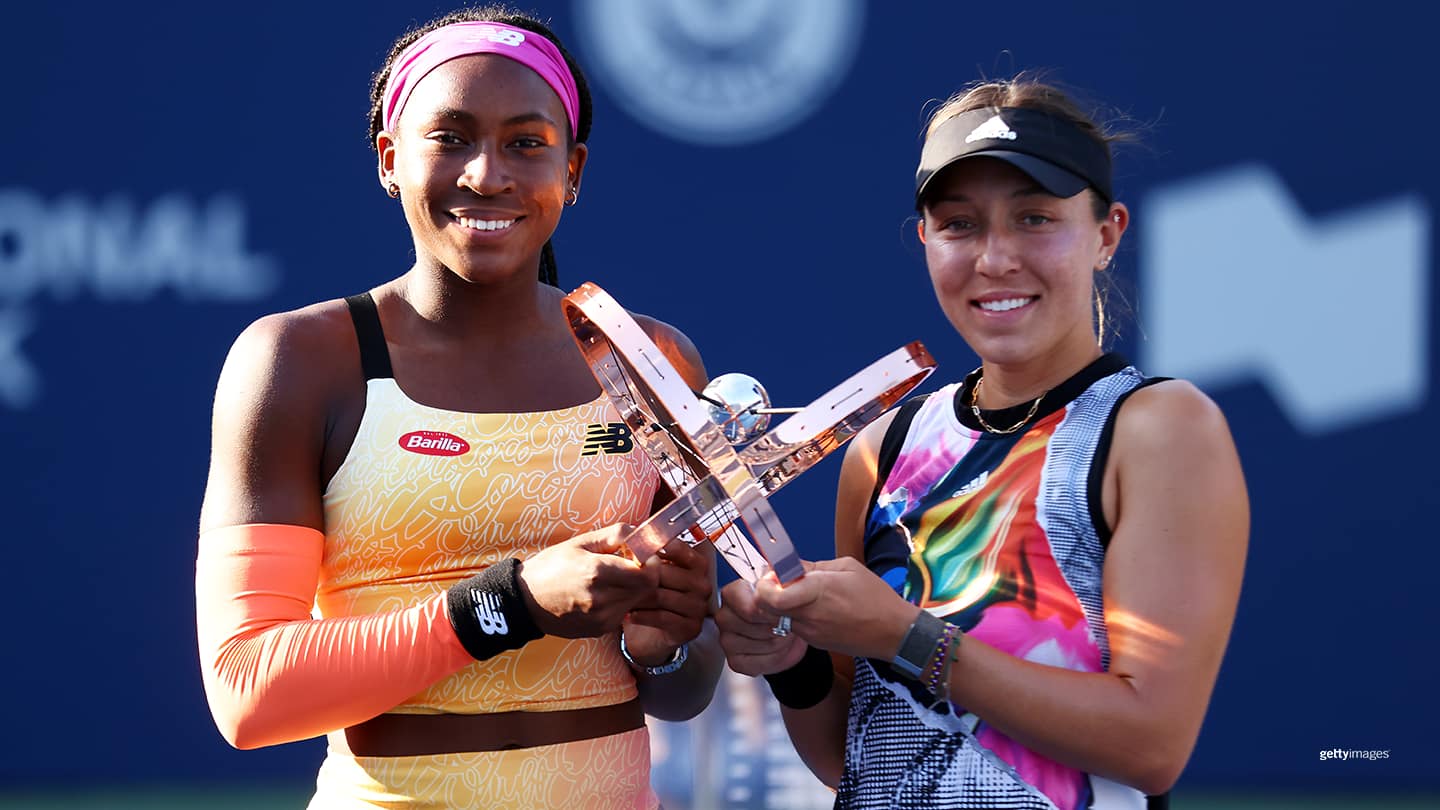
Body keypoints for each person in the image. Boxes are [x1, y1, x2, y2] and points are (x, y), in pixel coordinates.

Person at [195, 6, 722, 808]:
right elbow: (248, 691)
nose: (486, 174)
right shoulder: (297, 362)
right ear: (389, 159)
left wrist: (664, 645)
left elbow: (683, 693)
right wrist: (511, 604)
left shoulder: (650, 359)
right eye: (449, 136)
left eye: (525, 143)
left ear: (571, 170)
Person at [716, 76, 1248, 809]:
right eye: (960, 224)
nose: (995, 259)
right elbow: (855, 757)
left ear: (1107, 234)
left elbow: (1152, 744)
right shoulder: (884, 444)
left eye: (1033, 219)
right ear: (926, 241)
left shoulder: (1160, 429)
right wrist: (791, 666)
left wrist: (907, 635)